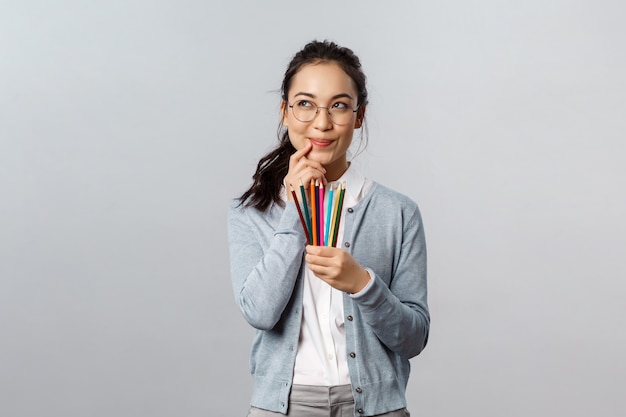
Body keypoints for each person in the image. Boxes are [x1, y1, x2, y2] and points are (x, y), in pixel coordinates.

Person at [228, 40, 429, 417]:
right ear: (284, 112)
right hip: (283, 407)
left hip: (376, 407)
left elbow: (414, 337)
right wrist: (296, 209)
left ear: (359, 115)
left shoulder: (397, 212)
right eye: (305, 104)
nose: (322, 123)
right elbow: (259, 312)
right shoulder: (253, 212)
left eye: (338, 105)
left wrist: (363, 285)